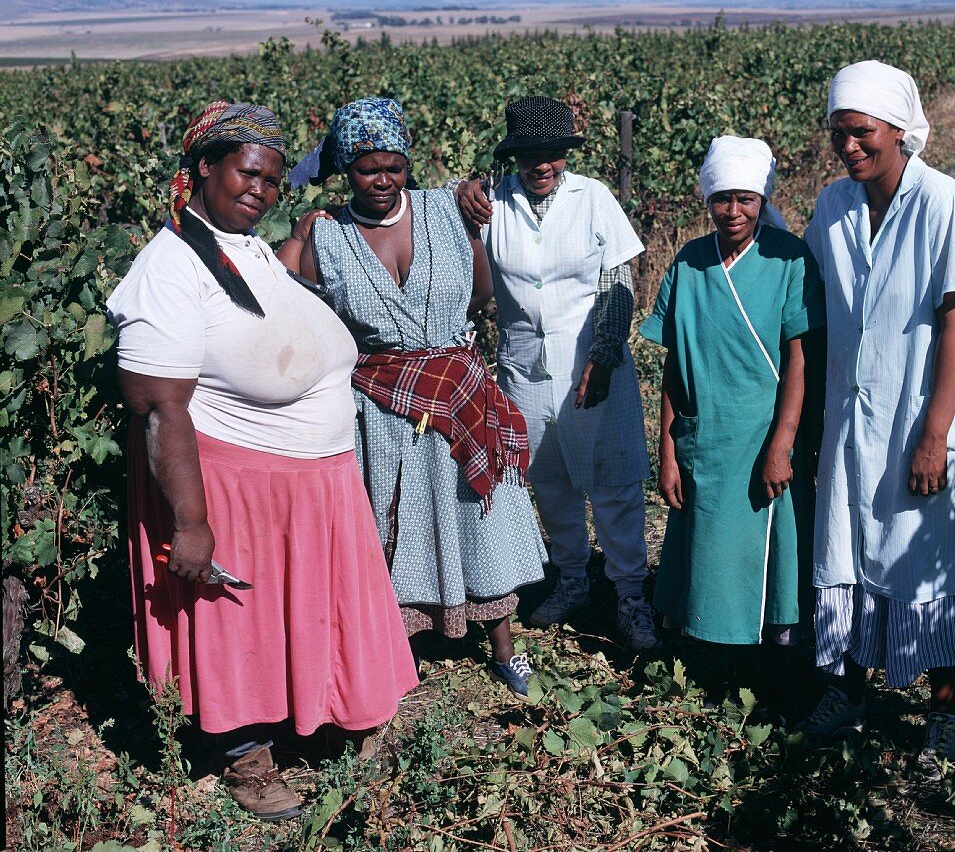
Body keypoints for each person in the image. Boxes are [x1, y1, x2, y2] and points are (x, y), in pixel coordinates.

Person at [107, 101, 418, 821]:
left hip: (308, 479)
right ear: (203, 168)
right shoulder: (168, 266)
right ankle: (245, 756)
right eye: (248, 173)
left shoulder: (241, 243)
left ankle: (326, 716)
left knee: (308, 609)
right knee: (235, 622)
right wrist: (190, 520)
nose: (261, 191)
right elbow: (160, 407)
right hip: (233, 481)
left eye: (273, 181)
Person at [279, 97, 547, 700]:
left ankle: (502, 644)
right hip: (382, 401)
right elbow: (283, 294)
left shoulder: (444, 209)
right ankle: (396, 652)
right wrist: (299, 231)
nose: (382, 180)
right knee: (394, 521)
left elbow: (481, 293)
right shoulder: (329, 233)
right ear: (345, 168)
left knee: (479, 512)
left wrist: (471, 211)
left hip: (457, 388)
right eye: (367, 168)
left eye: (394, 166)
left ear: (408, 164)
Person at [795, 61, 955, 776]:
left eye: (861, 133)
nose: (848, 147)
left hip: (923, 414)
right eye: (838, 134)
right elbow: (808, 289)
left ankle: (944, 711)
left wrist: (935, 434)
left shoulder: (943, 202)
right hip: (855, 417)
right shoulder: (832, 207)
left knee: (929, 559)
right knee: (850, 550)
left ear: (898, 129)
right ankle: (849, 690)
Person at [456, 96, 658, 653]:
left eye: (553, 154)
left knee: (613, 485)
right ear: (512, 157)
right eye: (528, 155)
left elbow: (618, 275)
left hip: (593, 359)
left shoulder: (592, 197)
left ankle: (630, 595)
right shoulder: (492, 202)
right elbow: (433, 216)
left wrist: (608, 346)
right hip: (523, 365)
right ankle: (572, 579)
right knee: (548, 482)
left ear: (567, 154)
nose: (542, 166)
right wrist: (458, 190)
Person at [639, 137, 823, 706]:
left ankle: (772, 670)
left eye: (746, 199)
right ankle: (707, 661)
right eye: (722, 200)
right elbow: (676, 360)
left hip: (763, 434)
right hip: (706, 435)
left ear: (763, 198)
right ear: (708, 199)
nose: (734, 212)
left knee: (767, 556)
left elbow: (799, 357)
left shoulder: (790, 259)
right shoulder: (689, 263)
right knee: (705, 547)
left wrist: (782, 444)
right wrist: (668, 450)